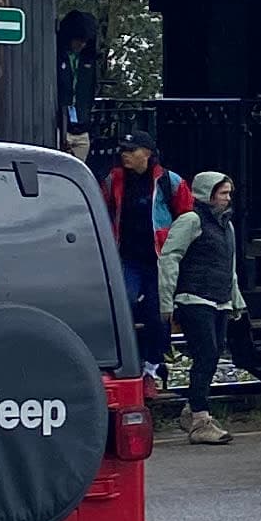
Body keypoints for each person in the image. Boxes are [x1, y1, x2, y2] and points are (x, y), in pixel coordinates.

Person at [156, 168, 244, 443]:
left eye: (229, 193)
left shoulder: (226, 225)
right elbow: (170, 257)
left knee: (214, 354)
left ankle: (193, 410)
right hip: (193, 297)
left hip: (219, 300)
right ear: (207, 194)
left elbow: (229, 267)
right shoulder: (190, 221)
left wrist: (235, 298)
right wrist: (166, 299)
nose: (227, 199)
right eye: (222, 193)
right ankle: (200, 418)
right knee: (206, 353)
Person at [99, 130, 184, 357]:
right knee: (122, 303)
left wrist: (176, 249)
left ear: (146, 153)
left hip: (159, 259)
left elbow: (187, 217)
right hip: (128, 257)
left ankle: (154, 366)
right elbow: (102, 210)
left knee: (157, 313)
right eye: (123, 150)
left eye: (131, 150)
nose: (125, 155)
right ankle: (126, 356)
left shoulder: (169, 181)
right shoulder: (113, 179)